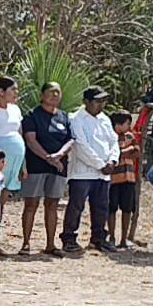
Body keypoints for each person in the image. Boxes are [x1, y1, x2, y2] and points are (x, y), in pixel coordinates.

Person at [20, 82, 74, 256]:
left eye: (58, 92)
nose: (55, 95)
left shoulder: (64, 117)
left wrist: (59, 155)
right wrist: (49, 158)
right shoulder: (32, 115)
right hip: (37, 166)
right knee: (31, 204)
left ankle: (50, 244)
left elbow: (71, 140)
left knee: (52, 204)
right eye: (51, 92)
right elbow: (30, 139)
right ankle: (26, 243)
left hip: (59, 166)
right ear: (42, 95)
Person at [63, 86, 118, 253]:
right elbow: (81, 145)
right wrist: (100, 165)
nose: (101, 104)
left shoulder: (105, 119)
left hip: (103, 174)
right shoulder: (76, 119)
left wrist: (112, 160)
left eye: (103, 101)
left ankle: (99, 238)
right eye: (97, 101)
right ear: (86, 101)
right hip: (82, 172)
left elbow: (114, 141)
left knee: (101, 206)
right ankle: (69, 238)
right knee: (76, 206)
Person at [0, 76, 25, 213]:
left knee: (5, 193)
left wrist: (23, 164)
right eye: (13, 89)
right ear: (1, 92)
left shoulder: (16, 109)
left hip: (15, 160)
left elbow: (20, 133)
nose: (16, 93)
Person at [108, 111, 140, 248]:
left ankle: (123, 238)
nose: (129, 126)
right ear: (118, 124)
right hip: (113, 179)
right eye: (127, 123)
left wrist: (127, 150)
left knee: (127, 209)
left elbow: (137, 152)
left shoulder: (129, 136)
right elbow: (116, 153)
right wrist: (128, 150)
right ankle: (111, 237)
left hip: (129, 178)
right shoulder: (109, 137)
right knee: (111, 209)